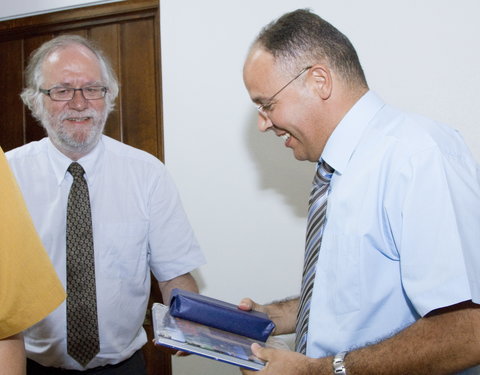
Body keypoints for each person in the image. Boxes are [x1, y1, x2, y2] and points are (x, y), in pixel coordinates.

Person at [239, 9, 480, 375]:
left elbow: (469, 331)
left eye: (267, 105)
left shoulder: (417, 156)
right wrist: (269, 316)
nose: (262, 123)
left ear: (319, 81)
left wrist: (318, 372)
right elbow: (362, 300)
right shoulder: (338, 170)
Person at [6, 35, 206, 374]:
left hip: (123, 367)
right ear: (36, 101)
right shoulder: (6, 176)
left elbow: (175, 275)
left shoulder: (148, 174)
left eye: (92, 89)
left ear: (108, 97)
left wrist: (191, 324)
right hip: (29, 365)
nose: (80, 103)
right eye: (62, 90)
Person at [0, 148, 65, 375]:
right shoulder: (11, 164)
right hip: (36, 362)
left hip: (123, 365)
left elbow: (4, 318)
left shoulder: (146, 171)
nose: (78, 109)